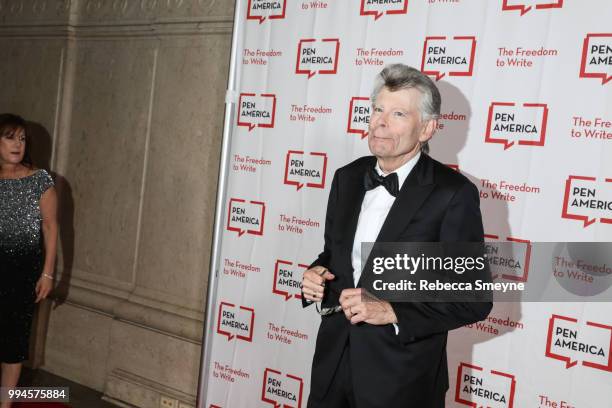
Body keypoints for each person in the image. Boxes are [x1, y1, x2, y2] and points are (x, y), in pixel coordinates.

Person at [301, 64, 492, 408]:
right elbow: (337, 256)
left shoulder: (452, 194)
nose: (380, 121)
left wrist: (392, 311)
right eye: (377, 109)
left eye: (398, 113)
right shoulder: (347, 178)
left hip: (402, 380)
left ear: (427, 129)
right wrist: (317, 273)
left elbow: (473, 300)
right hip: (332, 369)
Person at [0, 113, 57, 407]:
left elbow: (51, 227)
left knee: (12, 344)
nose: (17, 144)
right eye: (10, 137)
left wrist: (47, 274)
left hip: (21, 274)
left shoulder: (39, 180)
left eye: (22, 138)